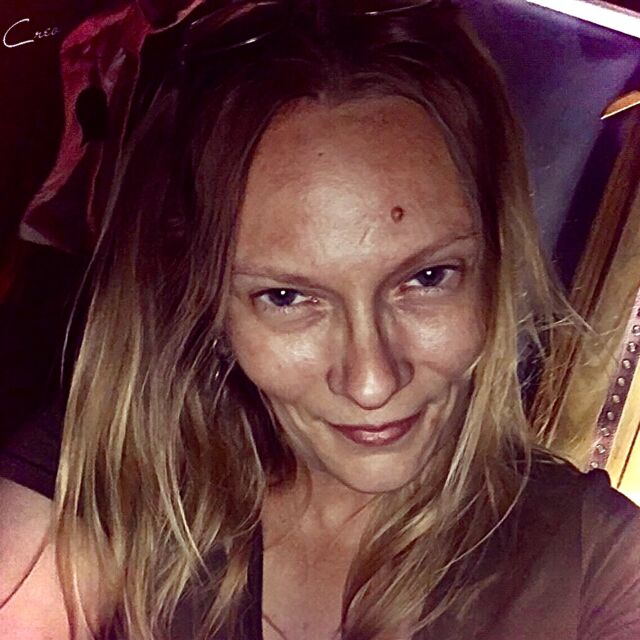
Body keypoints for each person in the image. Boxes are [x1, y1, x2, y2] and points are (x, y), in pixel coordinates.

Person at [1, 1, 639, 639]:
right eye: (286, 297)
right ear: (207, 301)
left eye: (427, 278)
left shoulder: (598, 566)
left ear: (496, 263)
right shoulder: (122, 474)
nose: (372, 382)